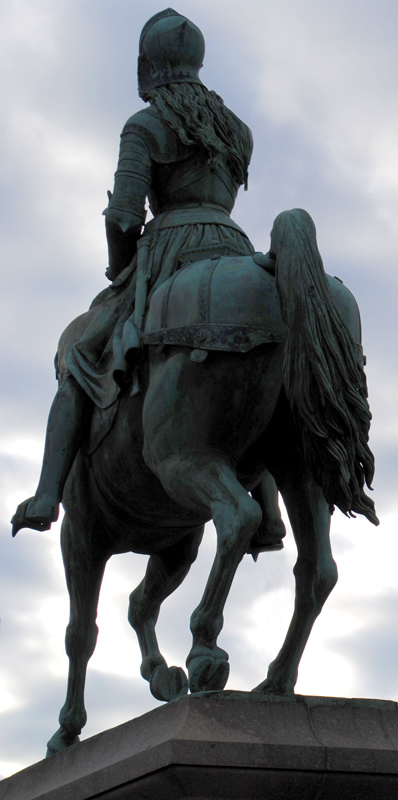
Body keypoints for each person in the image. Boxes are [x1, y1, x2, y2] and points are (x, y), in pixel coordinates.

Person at [11, 9, 285, 552]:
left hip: (170, 251)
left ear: (148, 64)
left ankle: (46, 496)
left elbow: (123, 215)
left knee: (80, 356)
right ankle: (270, 508)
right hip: (233, 245)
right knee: (261, 352)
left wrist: (120, 267)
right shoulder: (236, 130)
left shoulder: (147, 124)